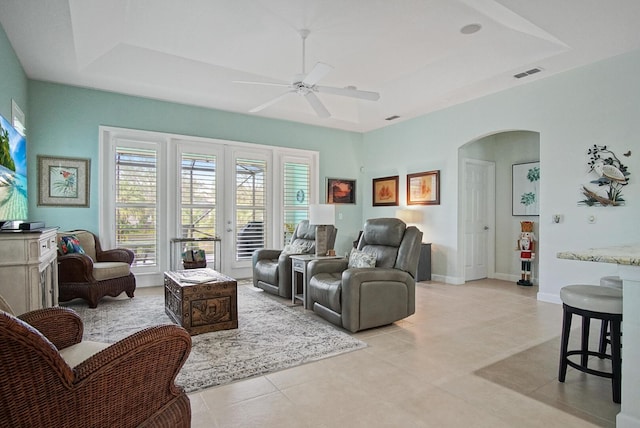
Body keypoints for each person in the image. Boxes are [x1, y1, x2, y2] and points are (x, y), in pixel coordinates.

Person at [516, 221, 536, 286]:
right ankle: (522, 278)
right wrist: (519, 247)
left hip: (528, 253)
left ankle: (527, 279)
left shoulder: (531, 236)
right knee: (523, 266)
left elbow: (533, 244)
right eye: (524, 227)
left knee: (528, 267)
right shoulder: (521, 235)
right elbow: (518, 240)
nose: (526, 229)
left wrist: (533, 254)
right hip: (523, 253)